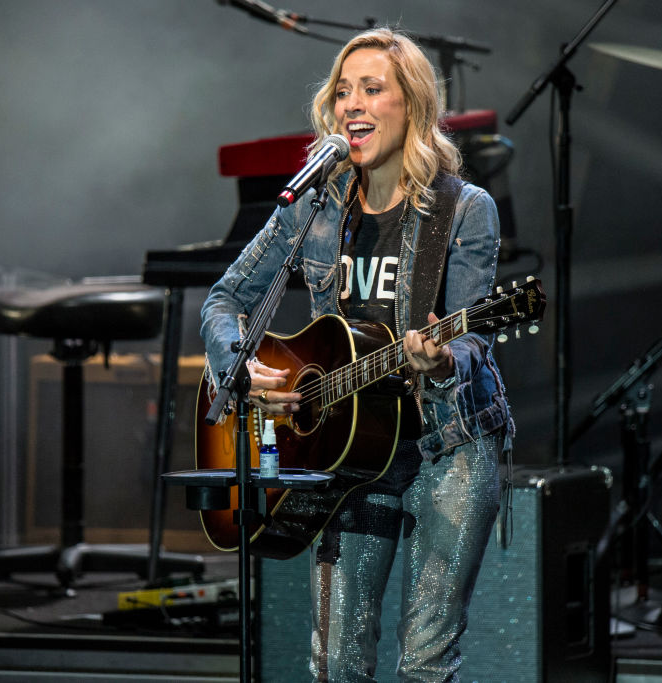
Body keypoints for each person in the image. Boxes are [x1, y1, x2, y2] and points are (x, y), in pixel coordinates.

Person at [200, 27, 512, 682]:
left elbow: (474, 338)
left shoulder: (465, 210)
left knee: (424, 661)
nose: (352, 105)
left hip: (447, 445)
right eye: (343, 91)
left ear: (413, 105)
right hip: (349, 448)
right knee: (335, 661)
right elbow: (226, 297)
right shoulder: (315, 207)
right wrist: (239, 366)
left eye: (372, 88)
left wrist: (442, 359)